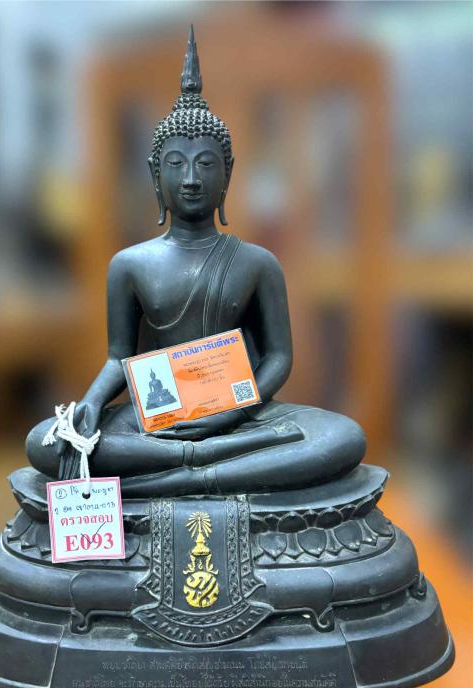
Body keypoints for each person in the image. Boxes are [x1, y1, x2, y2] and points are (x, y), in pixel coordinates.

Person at [26, 27, 365, 497]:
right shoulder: (129, 264)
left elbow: (279, 358)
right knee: (47, 441)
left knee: (343, 438)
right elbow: (119, 357)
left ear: (227, 174)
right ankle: (199, 465)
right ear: (155, 174)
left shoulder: (257, 263)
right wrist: (91, 402)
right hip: (162, 414)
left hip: (241, 417)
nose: (190, 179)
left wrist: (232, 412)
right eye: (175, 164)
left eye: (205, 164)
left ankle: (175, 470)